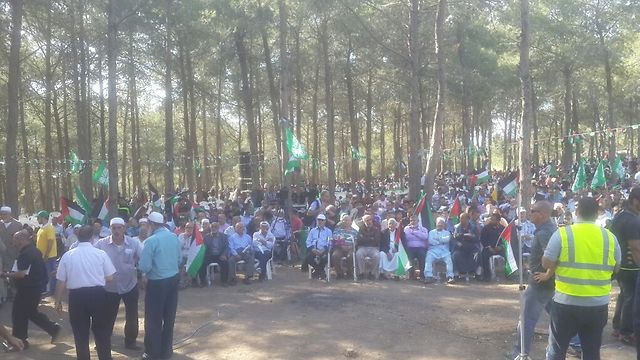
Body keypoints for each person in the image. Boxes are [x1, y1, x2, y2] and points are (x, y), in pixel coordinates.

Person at [542, 197, 620, 360]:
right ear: (597, 213)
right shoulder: (610, 238)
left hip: (566, 303)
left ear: (577, 212)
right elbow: (616, 268)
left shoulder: (563, 234)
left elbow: (546, 262)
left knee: (557, 351)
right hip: (597, 305)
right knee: (592, 352)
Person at [54, 225, 116, 360]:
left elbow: (61, 281)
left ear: (77, 236)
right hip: (98, 294)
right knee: (102, 331)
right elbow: (110, 277)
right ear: (92, 237)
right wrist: (97, 276)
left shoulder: (68, 255)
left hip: (77, 297)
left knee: (80, 333)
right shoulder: (100, 254)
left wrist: (57, 300)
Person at [511, 201, 557, 357]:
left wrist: (547, 274)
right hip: (548, 283)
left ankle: (520, 352)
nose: (530, 213)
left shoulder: (544, 232)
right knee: (558, 315)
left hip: (540, 283)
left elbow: (551, 257)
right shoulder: (549, 229)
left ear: (542, 214)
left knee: (526, 318)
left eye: (533, 211)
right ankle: (576, 342)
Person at [0, 230, 61, 349]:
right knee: (30, 312)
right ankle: (53, 328)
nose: (13, 240)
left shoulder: (26, 254)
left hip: (27, 289)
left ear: (22, 239)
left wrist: (4, 275)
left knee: (18, 314)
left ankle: (20, 341)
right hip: (35, 288)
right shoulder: (34, 251)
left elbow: (21, 274)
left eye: (15, 238)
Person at [94, 217, 143, 350]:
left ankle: (131, 341)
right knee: (107, 316)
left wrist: (143, 273)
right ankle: (103, 342)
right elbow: (93, 260)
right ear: (110, 229)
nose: (116, 231)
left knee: (132, 316)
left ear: (124, 228)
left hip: (130, 285)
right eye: (113, 228)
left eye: (119, 227)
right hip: (110, 287)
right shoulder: (101, 244)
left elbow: (143, 258)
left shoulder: (133, 243)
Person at [138, 212, 181, 360]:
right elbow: (179, 258)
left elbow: (144, 266)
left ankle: (152, 352)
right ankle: (166, 351)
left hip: (157, 283)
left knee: (153, 319)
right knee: (169, 317)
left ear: (151, 224)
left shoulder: (151, 241)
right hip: (173, 280)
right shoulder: (174, 237)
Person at [609, 187, 640, 348]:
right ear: (635, 200)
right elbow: (635, 247)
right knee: (631, 298)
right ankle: (626, 332)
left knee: (624, 296)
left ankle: (617, 326)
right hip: (630, 266)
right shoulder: (632, 219)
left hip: (620, 264)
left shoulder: (621, 214)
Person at [0, 206, 22, 304]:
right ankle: (5, 294)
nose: (3, 216)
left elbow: (22, 239)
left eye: (5, 214)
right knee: (3, 275)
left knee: (13, 275)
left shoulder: (17, 224)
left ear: (10, 214)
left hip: (14, 254)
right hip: (2, 255)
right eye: (1, 214)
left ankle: (15, 293)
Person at [198, 222, 230, 286]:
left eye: (216, 227)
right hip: (209, 255)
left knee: (225, 263)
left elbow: (226, 247)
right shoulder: (206, 237)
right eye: (212, 227)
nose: (214, 228)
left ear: (218, 228)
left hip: (220, 255)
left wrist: (224, 255)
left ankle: (224, 281)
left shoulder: (224, 236)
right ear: (210, 228)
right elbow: (203, 248)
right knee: (202, 263)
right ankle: (203, 281)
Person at [424, 217, 455, 284]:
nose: (440, 226)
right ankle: (428, 276)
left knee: (449, 260)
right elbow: (431, 241)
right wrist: (441, 241)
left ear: (444, 225)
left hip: (445, 252)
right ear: (436, 224)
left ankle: (450, 276)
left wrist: (437, 239)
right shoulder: (431, 232)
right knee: (428, 259)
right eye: (438, 224)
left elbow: (447, 239)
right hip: (433, 251)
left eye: (441, 225)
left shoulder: (447, 233)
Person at [35, 210, 57, 295]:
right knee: (45, 273)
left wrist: (46, 255)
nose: (37, 219)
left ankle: (51, 290)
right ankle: (46, 289)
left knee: (50, 273)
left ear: (43, 218)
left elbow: (50, 242)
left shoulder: (49, 228)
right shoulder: (42, 228)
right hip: (42, 255)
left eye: (38, 218)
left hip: (49, 256)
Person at [452, 213, 480, 280]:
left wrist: (471, 236)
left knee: (477, 254)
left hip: (472, 246)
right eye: (460, 218)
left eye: (462, 218)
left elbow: (476, 239)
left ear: (467, 219)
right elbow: (454, 238)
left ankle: (476, 273)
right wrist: (458, 243)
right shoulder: (456, 227)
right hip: (461, 247)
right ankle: (459, 273)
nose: (461, 220)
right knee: (455, 255)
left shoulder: (473, 227)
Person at [305, 214, 332, 279]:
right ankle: (320, 271)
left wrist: (324, 249)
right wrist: (312, 249)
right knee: (308, 258)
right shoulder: (312, 231)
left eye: (322, 220)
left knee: (325, 258)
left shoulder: (328, 231)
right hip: (313, 250)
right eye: (318, 220)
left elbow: (330, 242)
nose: (320, 221)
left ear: (325, 221)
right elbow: (308, 241)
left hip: (324, 250)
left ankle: (317, 271)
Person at [331, 215, 358, 280]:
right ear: (341, 221)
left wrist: (351, 246)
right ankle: (340, 274)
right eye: (344, 220)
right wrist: (341, 246)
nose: (345, 221)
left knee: (350, 256)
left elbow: (356, 241)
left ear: (351, 222)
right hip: (339, 248)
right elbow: (335, 239)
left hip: (350, 248)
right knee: (335, 255)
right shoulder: (337, 230)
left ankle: (349, 273)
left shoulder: (355, 231)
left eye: (347, 220)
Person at [403, 214, 429, 280]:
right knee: (409, 257)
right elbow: (407, 237)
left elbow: (425, 237)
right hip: (410, 248)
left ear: (418, 221)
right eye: (411, 220)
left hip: (421, 248)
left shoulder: (423, 229)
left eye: (414, 220)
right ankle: (411, 275)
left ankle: (422, 275)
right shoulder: (406, 228)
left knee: (422, 255)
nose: (412, 222)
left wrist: (414, 232)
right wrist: (418, 234)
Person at [480, 213, 504, 281]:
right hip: (489, 248)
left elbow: (505, 241)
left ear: (498, 220)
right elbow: (483, 239)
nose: (492, 221)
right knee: (484, 255)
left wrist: (501, 247)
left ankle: (508, 274)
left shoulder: (503, 229)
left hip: (500, 248)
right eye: (491, 219)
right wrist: (489, 247)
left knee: (508, 255)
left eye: (494, 220)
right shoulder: (486, 228)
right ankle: (487, 276)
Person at [356, 214, 381, 280]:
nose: (369, 221)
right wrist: (370, 238)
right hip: (362, 247)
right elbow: (359, 240)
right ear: (364, 221)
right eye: (367, 220)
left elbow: (376, 240)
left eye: (370, 220)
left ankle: (372, 273)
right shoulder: (360, 229)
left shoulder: (376, 229)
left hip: (373, 248)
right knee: (358, 254)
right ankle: (361, 273)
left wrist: (365, 238)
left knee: (377, 256)